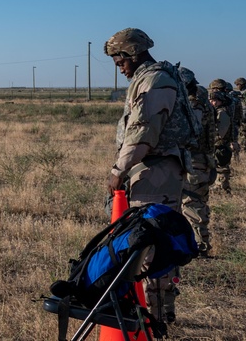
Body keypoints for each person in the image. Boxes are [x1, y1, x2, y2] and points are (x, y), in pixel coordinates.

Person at [104, 28, 194, 324]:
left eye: (121, 62)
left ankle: (153, 319)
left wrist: (119, 170)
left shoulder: (154, 81)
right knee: (149, 246)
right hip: (153, 175)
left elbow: (142, 134)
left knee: (150, 250)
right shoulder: (154, 78)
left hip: (154, 177)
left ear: (132, 53)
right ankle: (155, 315)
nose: (121, 69)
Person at [179, 67, 216, 255]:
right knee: (196, 202)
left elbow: (191, 132)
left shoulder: (194, 105)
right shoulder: (200, 100)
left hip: (195, 161)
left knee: (192, 203)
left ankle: (201, 245)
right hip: (200, 160)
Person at [208, 79, 238, 193]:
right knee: (220, 164)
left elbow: (221, 131)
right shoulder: (230, 103)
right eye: (211, 100)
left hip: (221, 142)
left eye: (215, 100)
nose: (213, 102)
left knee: (222, 165)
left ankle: (223, 187)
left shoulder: (222, 112)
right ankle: (221, 185)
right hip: (222, 141)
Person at [233, 77, 246, 152]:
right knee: (243, 131)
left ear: (242, 84)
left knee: (245, 131)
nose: (237, 86)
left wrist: (241, 97)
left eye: (238, 84)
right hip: (243, 113)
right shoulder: (243, 91)